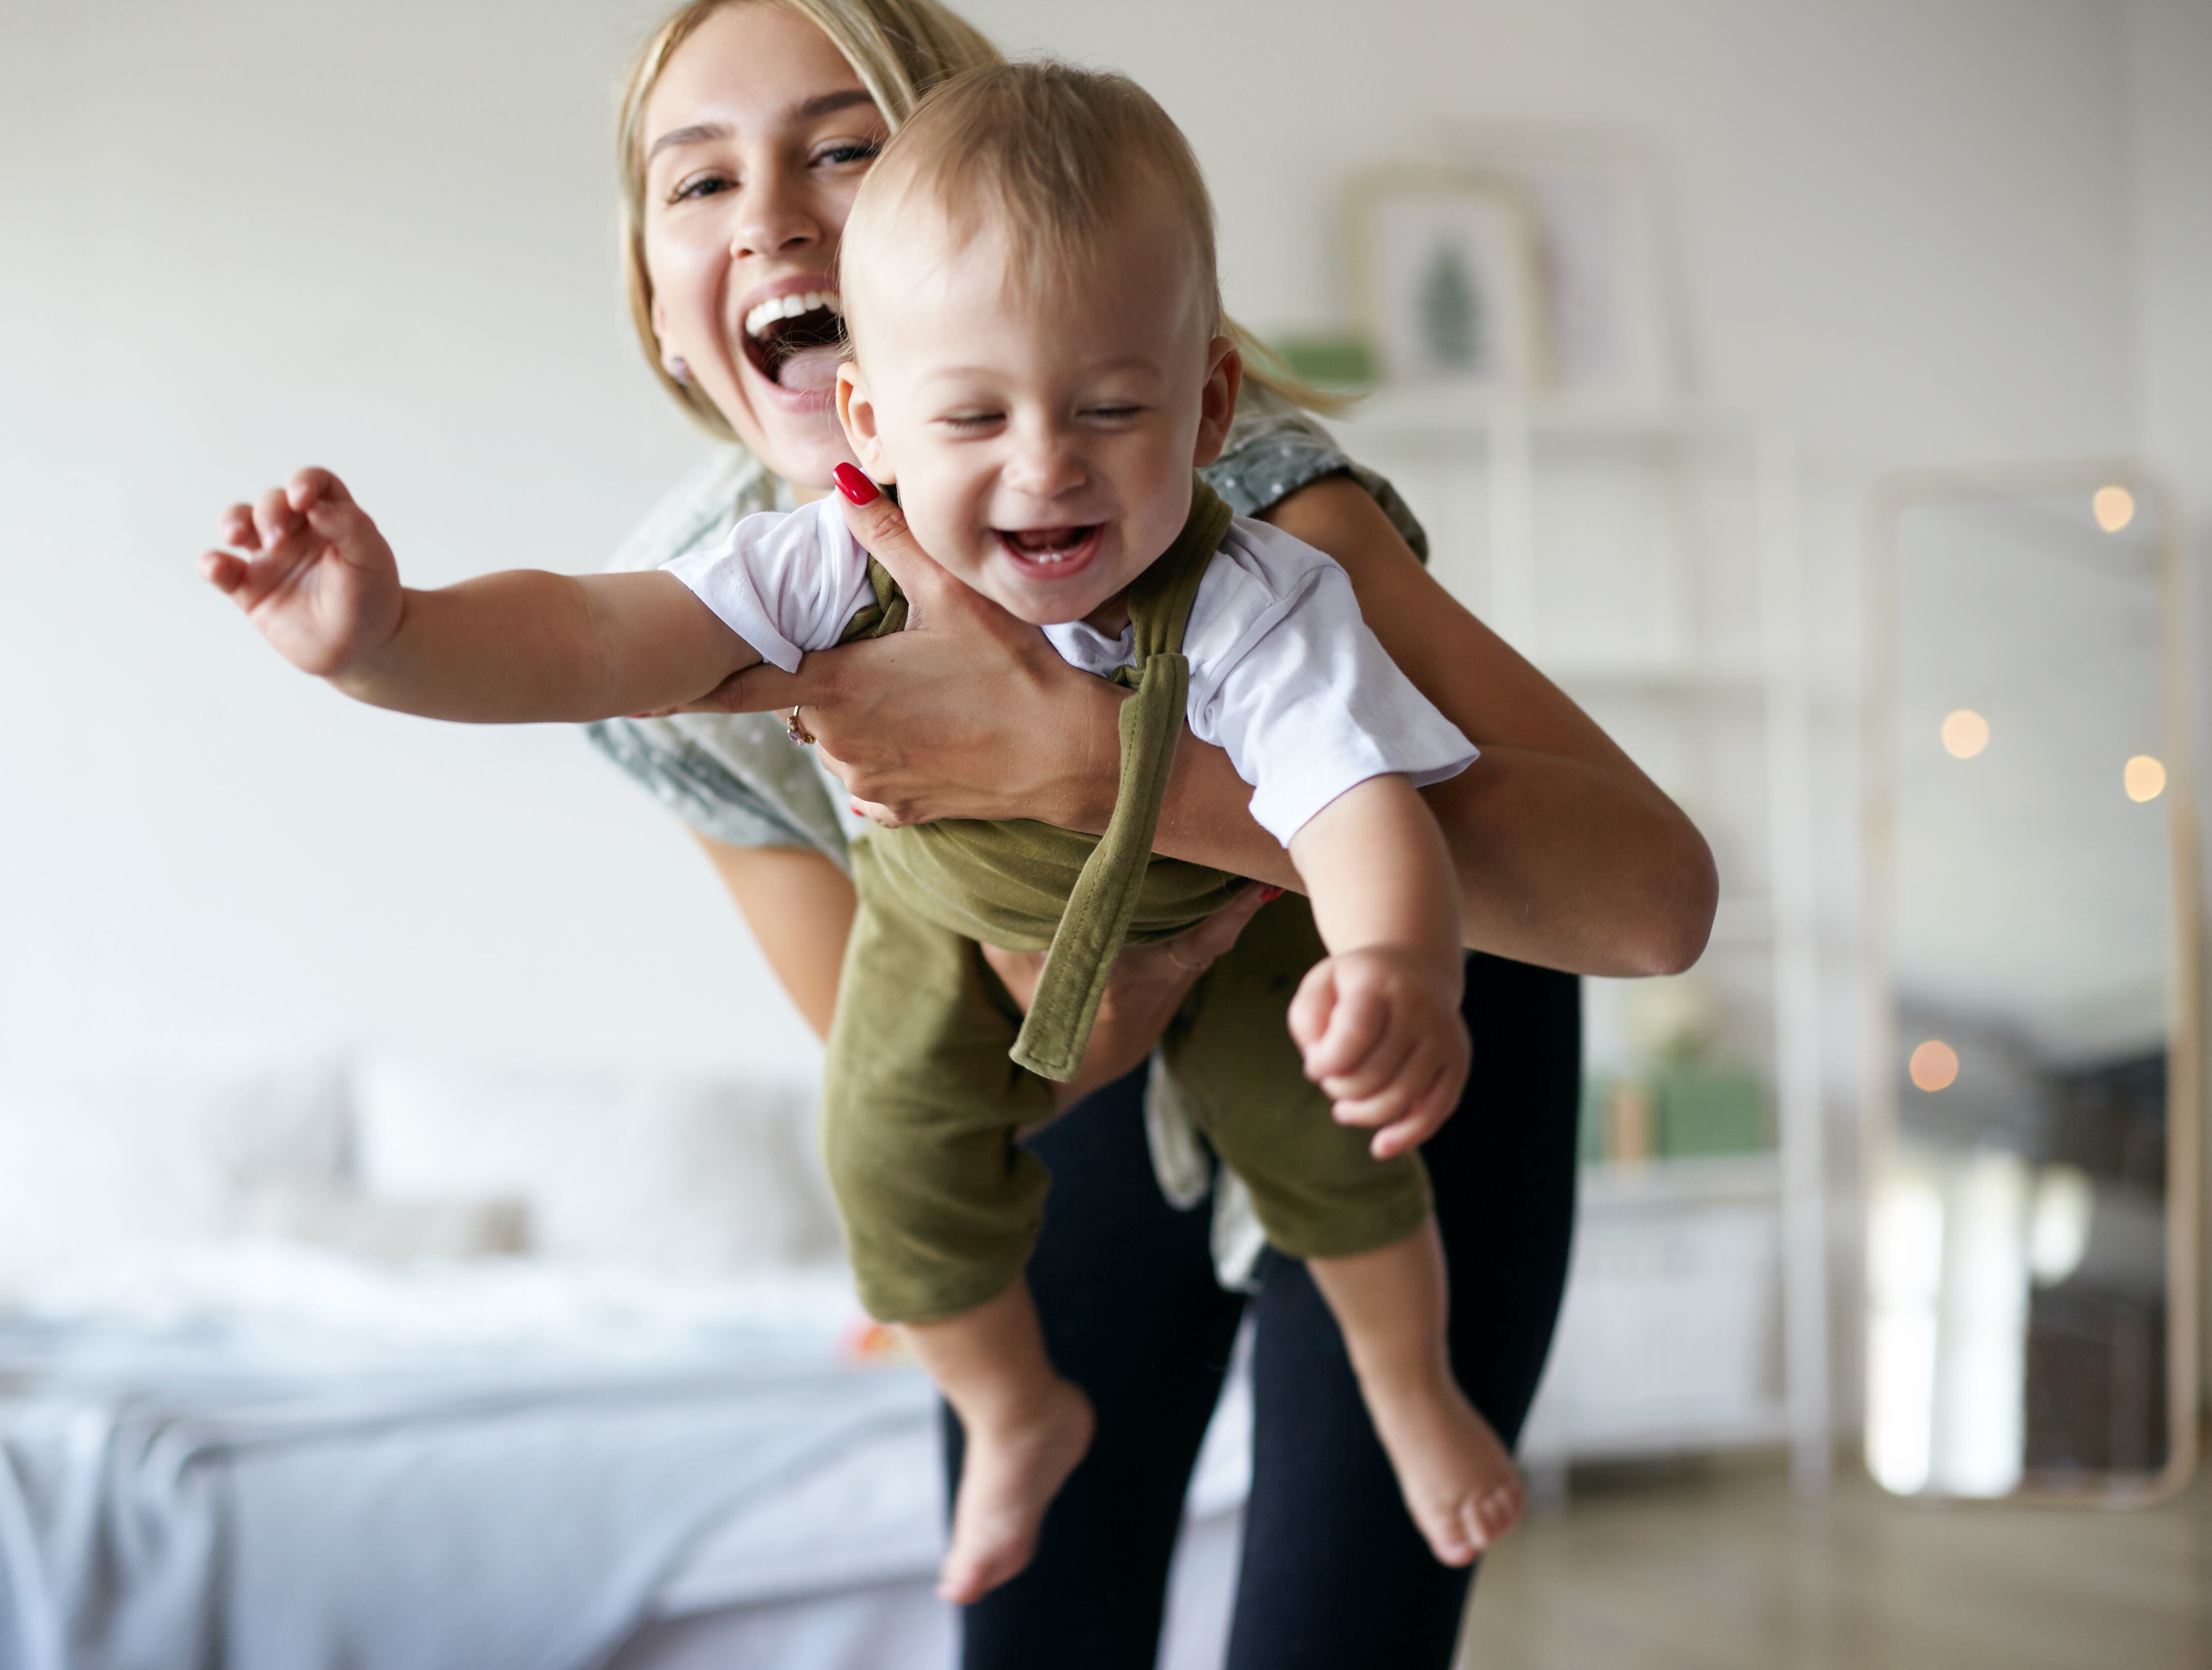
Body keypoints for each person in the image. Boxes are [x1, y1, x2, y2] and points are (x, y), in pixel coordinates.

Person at [212, 2, 1715, 1662]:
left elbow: (1650, 904)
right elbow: (946, 1066)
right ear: (664, 303)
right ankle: (1023, 1419)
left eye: (841, 147)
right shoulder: (746, 590)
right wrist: (385, 640)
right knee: (1031, 1604)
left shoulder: (1233, 514)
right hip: (1071, 1036)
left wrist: (1089, 768)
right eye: (699, 181)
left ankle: (1411, 1389)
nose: (770, 219)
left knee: (1337, 1618)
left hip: (1382, 983)